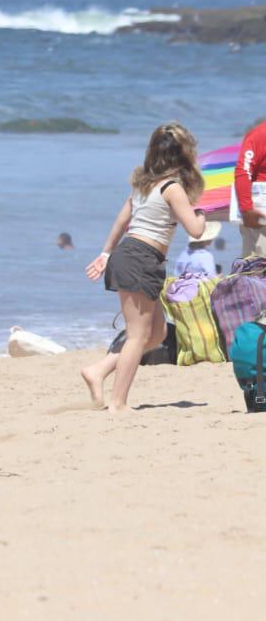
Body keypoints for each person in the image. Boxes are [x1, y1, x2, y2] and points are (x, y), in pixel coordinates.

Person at [83, 122, 207, 414]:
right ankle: (118, 403)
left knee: (157, 333)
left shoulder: (142, 185)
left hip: (134, 256)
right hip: (140, 258)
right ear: (183, 154)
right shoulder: (172, 188)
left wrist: (106, 253)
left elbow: (121, 221)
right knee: (137, 336)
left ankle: (98, 370)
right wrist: (202, 213)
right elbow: (196, 230)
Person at [233, 118, 266, 257]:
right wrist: (247, 209)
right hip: (261, 218)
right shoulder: (261, 134)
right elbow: (243, 171)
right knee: (258, 266)